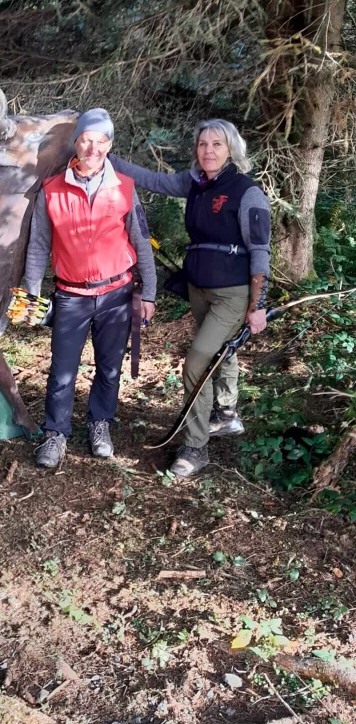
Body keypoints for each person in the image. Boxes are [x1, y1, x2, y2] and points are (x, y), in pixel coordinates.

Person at [110, 119, 271, 478]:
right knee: (221, 350)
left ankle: (195, 447)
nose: (208, 150)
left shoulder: (247, 192)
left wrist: (257, 306)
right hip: (199, 289)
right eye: (202, 144)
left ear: (231, 149)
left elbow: (260, 251)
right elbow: (152, 179)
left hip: (232, 294)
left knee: (197, 361)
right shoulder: (194, 182)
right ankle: (226, 414)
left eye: (217, 144)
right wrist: (108, 158)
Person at [23, 108, 157, 468]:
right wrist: (32, 294)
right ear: (76, 142)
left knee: (109, 367)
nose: (93, 148)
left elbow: (141, 241)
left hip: (117, 294)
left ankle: (100, 424)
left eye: (101, 141)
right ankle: (56, 434)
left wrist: (149, 293)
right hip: (71, 296)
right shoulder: (52, 190)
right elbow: (38, 245)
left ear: (109, 144)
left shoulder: (124, 187)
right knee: (62, 370)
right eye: (86, 139)